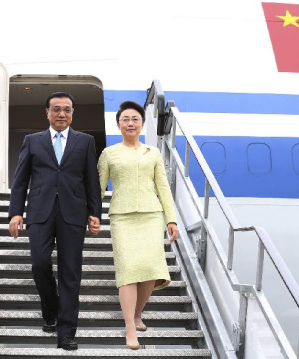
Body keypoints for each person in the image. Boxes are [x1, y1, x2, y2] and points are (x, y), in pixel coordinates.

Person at [8, 92, 102, 351]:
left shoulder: (85, 141)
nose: (62, 114)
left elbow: (91, 180)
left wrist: (95, 212)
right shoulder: (32, 141)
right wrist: (16, 212)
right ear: (47, 113)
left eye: (67, 110)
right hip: (40, 211)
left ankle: (66, 332)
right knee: (39, 264)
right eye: (57, 109)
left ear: (73, 113)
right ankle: (50, 309)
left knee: (70, 273)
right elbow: (20, 180)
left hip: (74, 211)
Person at [97, 101, 179, 350]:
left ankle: (137, 314)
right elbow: (98, 188)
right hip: (122, 216)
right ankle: (130, 328)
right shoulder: (109, 154)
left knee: (150, 271)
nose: (130, 123)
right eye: (125, 119)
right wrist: (92, 214)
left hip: (151, 215)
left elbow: (163, 187)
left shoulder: (152, 153)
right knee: (128, 270)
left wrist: (171, 218)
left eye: (135, 119)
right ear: (118, 124)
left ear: (142, 123)